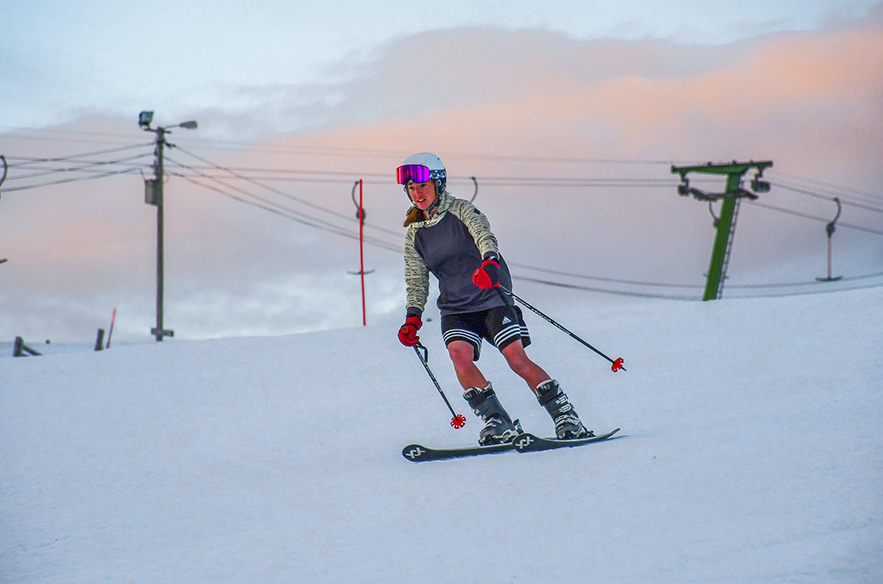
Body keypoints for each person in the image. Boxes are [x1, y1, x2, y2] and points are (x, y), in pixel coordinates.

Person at [395, 152, 592, 445]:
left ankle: (566, 417)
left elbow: (485, 236)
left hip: (490, 298)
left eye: (422, 185)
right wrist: (412, 317)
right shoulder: (414, 233)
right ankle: (497, 421)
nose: (417, 193)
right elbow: (416, 279)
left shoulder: (461, 210)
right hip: (455, 307)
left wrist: (490, 263)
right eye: (411, 188)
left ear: (439, 183)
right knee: (459, 357)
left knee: (516, 360)